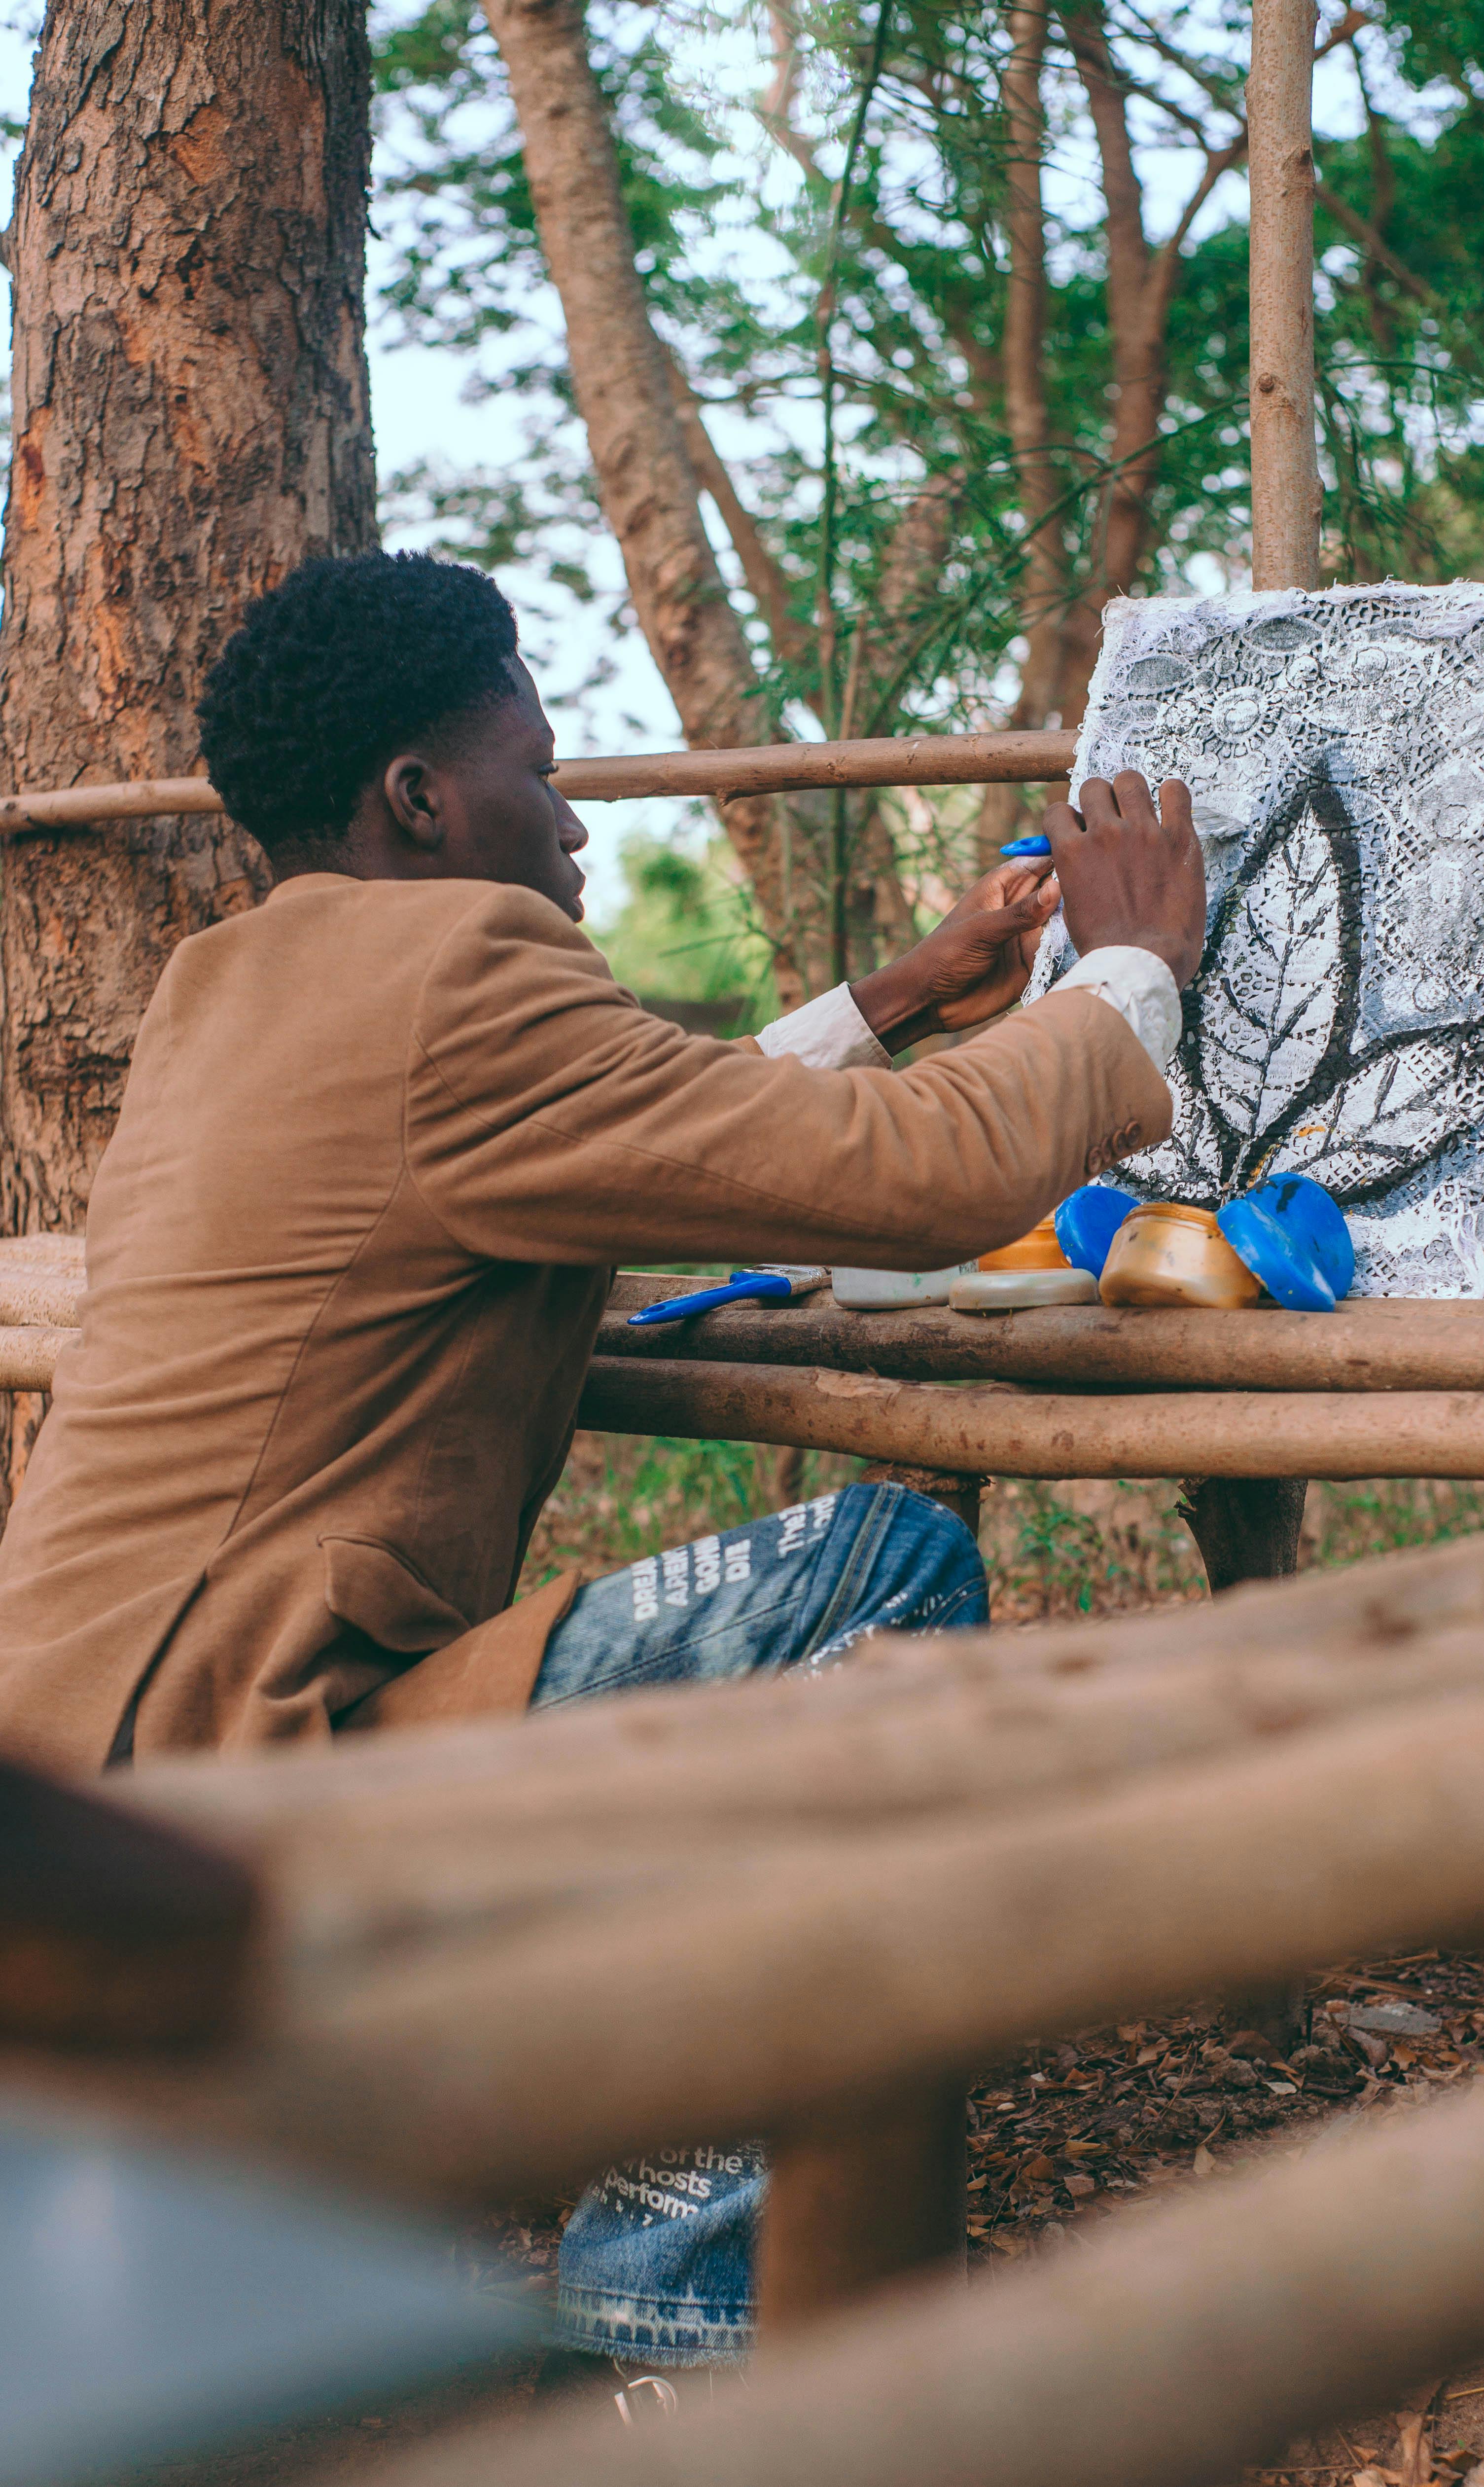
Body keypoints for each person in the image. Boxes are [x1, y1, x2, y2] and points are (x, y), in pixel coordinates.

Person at [0, 548, 1205, 2371]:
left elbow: (626, 1125)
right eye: (541, 770)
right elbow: (923, 1181)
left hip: (82, 1769)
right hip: (234, 1759)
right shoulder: (461, 971)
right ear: (422, 797)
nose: (570, 822)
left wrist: (908, 991)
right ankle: (671, 2322)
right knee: (870, 1571)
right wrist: (1128, 966)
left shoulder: (236, 985)